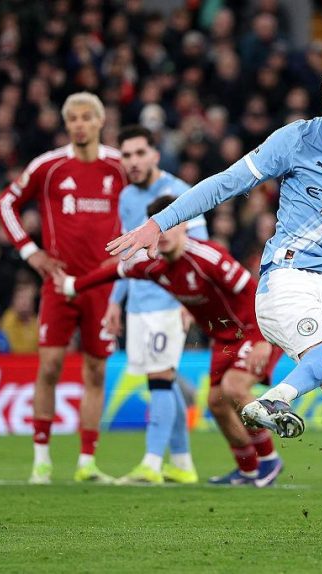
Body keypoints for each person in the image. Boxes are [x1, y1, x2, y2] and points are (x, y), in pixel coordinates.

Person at [107, 59, 322, 536]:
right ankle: (281, 397)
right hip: (287, 277)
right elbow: (225, 182)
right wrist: (160, 222)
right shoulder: (298, 138)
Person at [53, 195, 285, 487]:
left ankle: (269, 460)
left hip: (256, 329)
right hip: (223, 339)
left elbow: (253, 292)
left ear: (184, 225)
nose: (162, 236)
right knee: (215, 402)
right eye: (156, 229)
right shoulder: (153, 266)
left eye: (169, 226)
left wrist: (262, 339)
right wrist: (74, 285)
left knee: (233, 387)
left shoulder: (208, 257)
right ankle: (249, 469)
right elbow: (115, 270)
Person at [0, 92, 127, 485]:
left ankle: (87, 462)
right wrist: (30, 251)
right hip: (58, 284)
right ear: (66, 124)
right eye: (72, 119)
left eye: (86, 118)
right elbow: (6, 203)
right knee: (49, 366)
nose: (79, 124)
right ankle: (41, 460)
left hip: (102, 287)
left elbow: (147, 209)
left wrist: (125, 257)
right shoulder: (49, 166)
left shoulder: (120, 167)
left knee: (95, 372)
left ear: (100, 122)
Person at [100, 126, 209, 485]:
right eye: (126, 155)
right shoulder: (127, 197)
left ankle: (150, 463)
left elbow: (200, 247)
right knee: (162, 381)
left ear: (155, 155)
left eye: (139, 153)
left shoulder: (180, 193)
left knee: (161, 379)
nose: (132, 161)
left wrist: (190, 302)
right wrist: (117, 300)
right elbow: (128, 253)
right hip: (138, 302)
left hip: (170, 299)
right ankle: (181, 463)